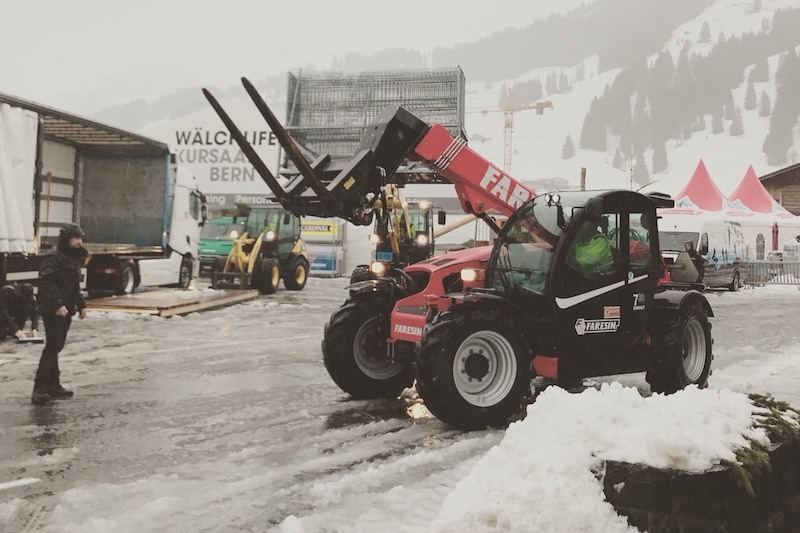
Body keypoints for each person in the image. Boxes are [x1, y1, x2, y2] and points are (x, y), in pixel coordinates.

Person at [31, 224, 88, 405]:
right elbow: (47, 283)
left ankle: (53, 385)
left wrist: (81, 304)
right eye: (75, 238)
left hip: (66, 309)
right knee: (52, 346)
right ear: (66, 239)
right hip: (53, 308)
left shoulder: (73, 258)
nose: (79, 242)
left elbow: (74, 285)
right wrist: (57, 304)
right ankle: (39, 388)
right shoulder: (54, 258)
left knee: (57, 346)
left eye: (80, 238)